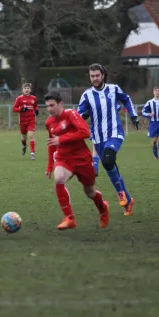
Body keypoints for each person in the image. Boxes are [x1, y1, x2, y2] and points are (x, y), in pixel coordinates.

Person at [78, 63, 140, 216]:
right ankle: (128, 200)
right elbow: (77, 116)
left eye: (97, 75)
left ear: (103, 75)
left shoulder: (113, 89)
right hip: (98, 138)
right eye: (92, 76)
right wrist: (82, 117)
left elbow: (126, 99)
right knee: (109, 164)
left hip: (114, 133)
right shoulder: (87, 95)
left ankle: (121, 193)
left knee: (107, 160)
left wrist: (133, 115)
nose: (95, 78)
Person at [44, 91, 110, 231]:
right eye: (47, 106)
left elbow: (85, 132)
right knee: (59, 178)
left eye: (52, 105)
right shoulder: (49, 122)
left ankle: (103, 209)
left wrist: (61, 139)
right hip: (63, 158)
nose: (49, 109)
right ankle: (69, 218)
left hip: (82, 158)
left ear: (60, 103)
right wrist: (50, 166)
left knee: (90, 192)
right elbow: (52, 143)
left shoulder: (71, 114)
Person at [92, 103, 122, 176]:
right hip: (98, 127)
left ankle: (95, 167)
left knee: (106, 152)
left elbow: (118, 107)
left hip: (108, 129)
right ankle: (95, 167)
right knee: (96, 147)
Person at [141, 86, 159, 160]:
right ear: (153, 92)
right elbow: (143, 111)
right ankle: (156, 157)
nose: (157, 92)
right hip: (152, 124)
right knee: (154, 141)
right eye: (156, 91)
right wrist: (149, 114)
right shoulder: (149, 102)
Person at [12, 83, 39, 160]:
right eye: (25, 88)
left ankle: (32, 153)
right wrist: (21, 109)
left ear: (30, 90)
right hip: (23, 120)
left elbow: (35, 106)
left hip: (31, 120)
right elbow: (14, 109)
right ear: (22, 90)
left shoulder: (34, 98)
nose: (26, 90)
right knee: (23, 137)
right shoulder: (19, 98)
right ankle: (24, 146)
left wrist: (37, 110)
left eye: (28, 88)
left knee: (31, 135)